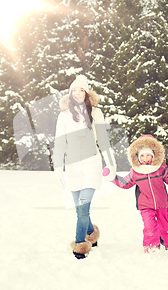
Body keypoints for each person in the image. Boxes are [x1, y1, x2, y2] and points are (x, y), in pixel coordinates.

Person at [53, 75, 116, 259]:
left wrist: (111, 164)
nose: (77, 93)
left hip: (91, 166)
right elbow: (59, 144)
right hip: (71, 168)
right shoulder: (64, 115)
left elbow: (103, 141)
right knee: (80, 209)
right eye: (74, 90)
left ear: (86, 93)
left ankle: (79, 244)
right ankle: (91, 233)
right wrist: (58, 170)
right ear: (70, 93)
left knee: (82, 207)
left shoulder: (96, 113)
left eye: (81, 90)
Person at [104, 135, 168, 252]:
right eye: (142, 155)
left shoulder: (160, 168)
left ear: (153, 155)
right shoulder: (136, 171)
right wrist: (112, 177)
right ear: (137, 157)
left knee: (166, 226)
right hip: (146, 206)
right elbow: (125, 183)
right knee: (150, 227)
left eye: (148, 155)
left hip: (162, 205)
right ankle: (151, 247)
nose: (145, 158)